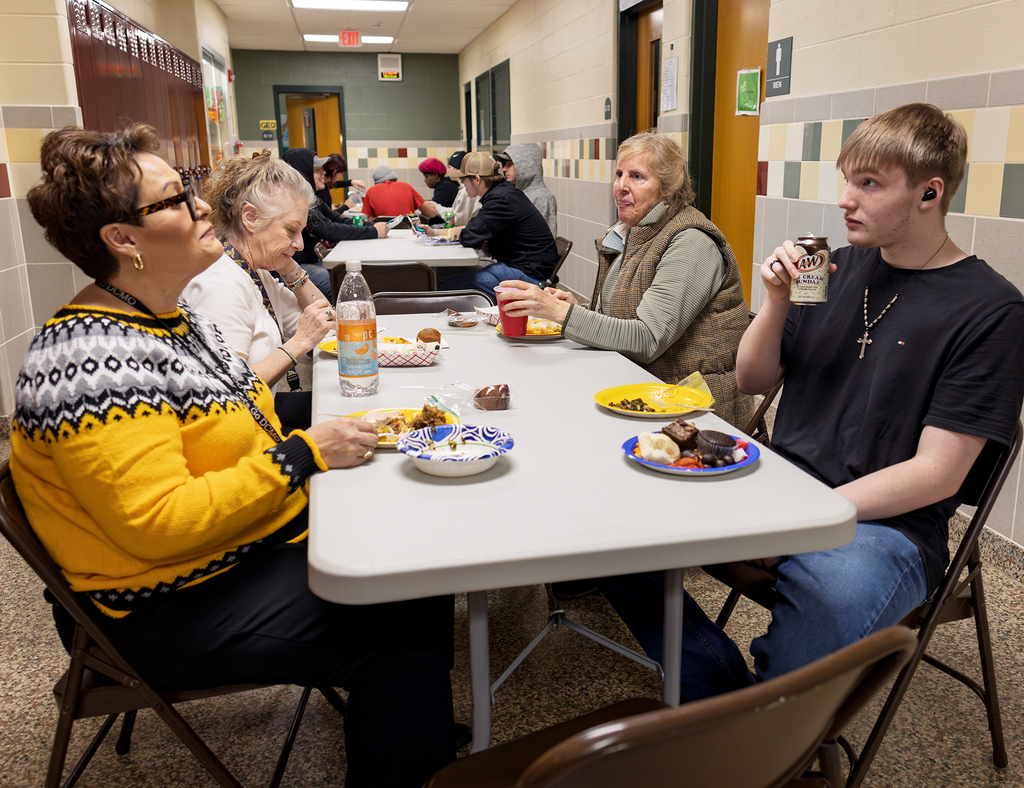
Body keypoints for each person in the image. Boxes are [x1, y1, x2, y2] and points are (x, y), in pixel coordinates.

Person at [12, 124, 455, 787]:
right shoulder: (89, 361)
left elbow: (242, 406)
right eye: (174, 201)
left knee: (414, 573)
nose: (200, 208)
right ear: (122, 239)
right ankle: (409, 730)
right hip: (159, 606)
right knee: (395, 626)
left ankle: (414, 729)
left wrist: (334, 428)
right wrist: (302, 457)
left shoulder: (164, 317)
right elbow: (157, 524)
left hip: (223, 558)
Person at [600, 104, 1024, 702]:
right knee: (609, 520)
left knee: (835, 590)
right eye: (847, 180)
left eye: (869, 184)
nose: (846, 199)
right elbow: (751, 378)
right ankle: (721, 691)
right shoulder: (830, 268)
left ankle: (768, 726)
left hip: (885, 524)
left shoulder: (991, 310)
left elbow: (939, 473)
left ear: (930, 193)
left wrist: (805, 519)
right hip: (779, 482)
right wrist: (774, 302)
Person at [495, 131, 753, 429]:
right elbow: (628, 311)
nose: (620, 187)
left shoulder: (692, 242)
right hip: (643, 385)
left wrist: (558, 313)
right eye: (619, 174)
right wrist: (583, 308)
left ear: (667, 188)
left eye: (637, 177)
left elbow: (647, 339)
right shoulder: (633, 232)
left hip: (694, 408)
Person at [181, 151, 334, 431]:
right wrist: (299, 343)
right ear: (251, 218)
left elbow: (322, 317)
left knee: (338, 408)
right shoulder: (220, 282)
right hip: (241, 432)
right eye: (290, 231)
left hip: (262, 410)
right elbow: (226, 393)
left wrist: (290, 269)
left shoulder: (257, 271)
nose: (300, 244)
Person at [434, 151, 558, 292]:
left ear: (477, 179)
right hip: (527, 267)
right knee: (454, 275)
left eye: (463, 179)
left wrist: (482, 239)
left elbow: (469, 236)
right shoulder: (504, 193)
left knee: (451, 284)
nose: (462, 184)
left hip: (528, 276)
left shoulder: (500, 200)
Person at [281, 147, 388, 301]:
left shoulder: (309, 198)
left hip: (309, 260)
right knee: (337, 286)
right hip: (296, 264)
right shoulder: (295, 202)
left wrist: (371, 226)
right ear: (301, 173)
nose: (323, 173)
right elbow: (330, 230)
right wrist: (374, 232)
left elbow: (336, 219)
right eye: (317, 170)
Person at [497, 143, 557, 238]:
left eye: (510, 164)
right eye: (504, 164)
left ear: (525, 166)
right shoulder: (518, 194)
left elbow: (541, 241)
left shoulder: (542, 197)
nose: (504, 169)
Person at [362, 164, 438, 221]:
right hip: (408, 232)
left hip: (384, 234)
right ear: (394, 177)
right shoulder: (406, 186)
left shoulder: (371, 191)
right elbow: (431, 213)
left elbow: (371, 222)